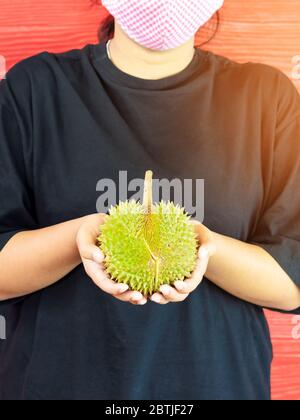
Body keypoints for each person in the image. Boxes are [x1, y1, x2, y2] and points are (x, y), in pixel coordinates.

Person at [0, 0, 300, 400]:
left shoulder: (267, 98)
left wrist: (202, 247)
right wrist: (81, 237)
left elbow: (293, 281)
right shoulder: (32, 89)